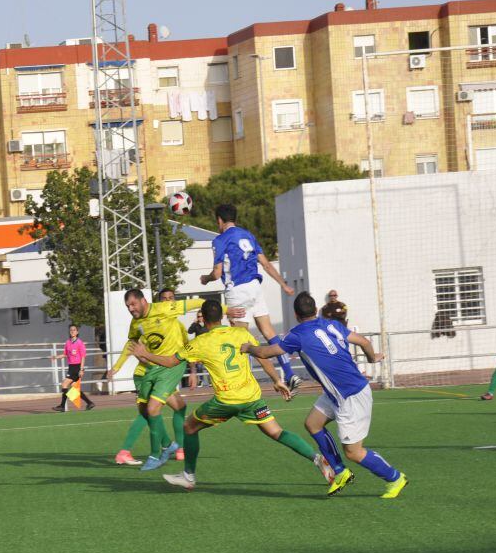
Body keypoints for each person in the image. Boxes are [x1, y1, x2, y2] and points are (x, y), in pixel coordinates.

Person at [131, 299, 333, 491]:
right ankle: (317, 459)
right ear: (221, 316)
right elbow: (261, 355)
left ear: (204, 318)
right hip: (252, 398)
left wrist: (145, 354)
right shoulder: (241, 334)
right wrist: (277, 380)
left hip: (225, 401)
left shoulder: (201, 342)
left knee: (189, 427)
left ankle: (188, 476)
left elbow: (170, 362)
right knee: (276, 432)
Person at [243, 292, 409, 499]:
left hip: (351, 396)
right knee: (313, 424)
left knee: (354, 452)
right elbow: (364, 341)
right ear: (316, 311)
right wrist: (372, 357)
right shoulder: (332, 325)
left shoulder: (297, 335)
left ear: (296, 314)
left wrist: (248, 347)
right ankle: (340, 472)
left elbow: (265, 353)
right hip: (338, 392)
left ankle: (395, 478)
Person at [105, 290, 239, 470]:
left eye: (133, 304)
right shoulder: (137, 322)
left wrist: (223, 309)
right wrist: (116, 367)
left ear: (144, 301)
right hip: (145, 372)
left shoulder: (173, 320)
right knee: (149, 411)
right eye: (127, 306)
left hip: (167, 369)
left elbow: (195, 310)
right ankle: (166, 446)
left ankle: (164, 449)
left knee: (153, 410)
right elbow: (132, 344)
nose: (130, 309)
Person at [199, 203, 303, 393]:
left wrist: (205, 280)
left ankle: (242, 384)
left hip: (237, 291)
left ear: (219, 220)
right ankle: (289, 373)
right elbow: (266, 264)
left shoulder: (220, 240)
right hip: (255, 288)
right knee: (269, 332)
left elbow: (217, 272)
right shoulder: (248, 235)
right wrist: (284, 284)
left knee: (240, 339)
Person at [52, 324, 95, 412]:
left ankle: (62, 406)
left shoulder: (80, 343)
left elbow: (83, 356)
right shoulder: (68, 342)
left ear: (77, 332)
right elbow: (65, 354)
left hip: (77, 367)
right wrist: (56, 357)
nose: (72, 331)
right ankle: (89, 403)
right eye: (71, 330)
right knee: (74, 388)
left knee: (64, 384)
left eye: (74, 330)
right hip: (71, 367)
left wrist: (81, 369)